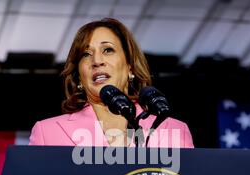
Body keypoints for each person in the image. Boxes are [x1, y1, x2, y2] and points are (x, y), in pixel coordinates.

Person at [29, 18, 194, 148]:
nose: (97, 61)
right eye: (86, 54)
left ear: (129, 65)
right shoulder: (47, 133)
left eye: (108, 50)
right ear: (79, 76)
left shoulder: (173, 130)